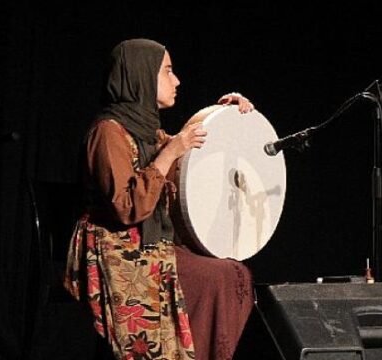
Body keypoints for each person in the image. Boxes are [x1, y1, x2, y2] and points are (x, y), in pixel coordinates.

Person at [63, 38, 257, 360]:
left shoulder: (146, 131)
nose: (177, 80)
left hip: (148, 243)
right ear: (141, 74)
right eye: (167, 71)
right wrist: (169, 152)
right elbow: (127, 208)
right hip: (116, 248)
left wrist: (223, 116)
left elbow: (187, 159)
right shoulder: (108, 132)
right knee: (219, 277)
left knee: (233, 272)